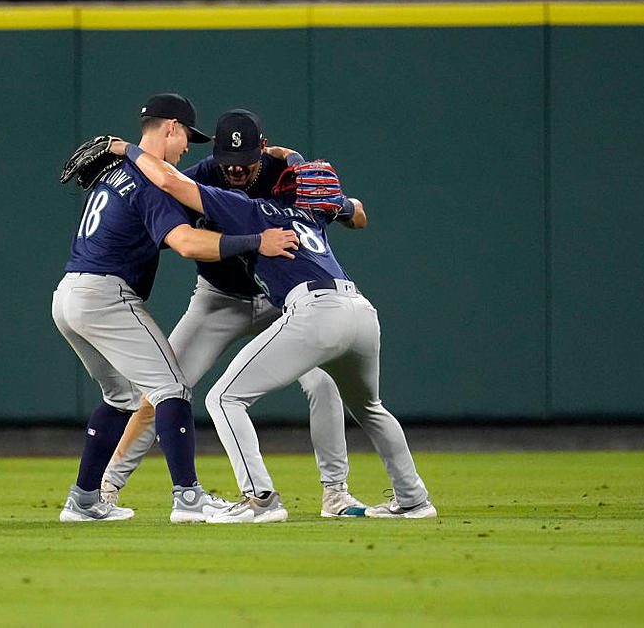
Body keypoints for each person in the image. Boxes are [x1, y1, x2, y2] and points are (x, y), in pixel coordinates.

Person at [107, 137, 436, 524]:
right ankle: (413, 498)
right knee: (370, 406)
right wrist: (337, 200)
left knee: (226, 399)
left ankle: (267, 498)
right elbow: (355, 212)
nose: (238, 170)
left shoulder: (246, 208)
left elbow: (172, 184)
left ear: (262, 157)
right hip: (356, 310)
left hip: (307, 310)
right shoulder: (310, 208)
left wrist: (123, 149)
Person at [53, 93, 299, 523]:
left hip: (69, 295)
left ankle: (85, 500)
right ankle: (188, 496)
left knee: (122, 396)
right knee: (173, 386)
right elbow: (186, 243)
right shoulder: (151, 179)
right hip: (106, 295)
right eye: (186, 134)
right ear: (170, 127)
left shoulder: (117, 171)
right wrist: (256, 241)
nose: (188, 146)